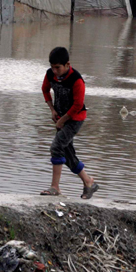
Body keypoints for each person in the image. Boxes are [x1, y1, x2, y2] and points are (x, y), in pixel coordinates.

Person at [40, 46, 99, 199]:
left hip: (75, 119)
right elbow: (45, 90)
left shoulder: (77, 80)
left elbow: (78, 105)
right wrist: (52, 110)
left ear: (67, 65)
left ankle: (55, 188)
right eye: (52, 67)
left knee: (57, 146)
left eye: (58, 68)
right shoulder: (50, 74)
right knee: (67, 153)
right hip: (60, 117)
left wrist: (62, 120)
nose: (54, 71)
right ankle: (88, 182)